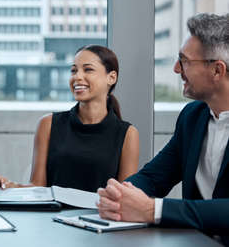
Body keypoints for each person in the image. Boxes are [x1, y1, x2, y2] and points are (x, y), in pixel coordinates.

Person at [97, 13, 229, 245]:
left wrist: (153, 209)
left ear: (217, 70)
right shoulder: (192, 117)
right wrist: (120, 194)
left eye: (184, 60)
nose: (177, 69)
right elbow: (154, 176)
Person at [0, 45, 139, 194]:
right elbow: (37, 187)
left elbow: (123, 197)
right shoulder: (48, 124)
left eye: (88, 69)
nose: (77, 77)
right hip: (52, 219)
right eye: (73, 71)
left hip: (99, 219)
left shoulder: (128, 134)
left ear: (111, 77)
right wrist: (6, 186)